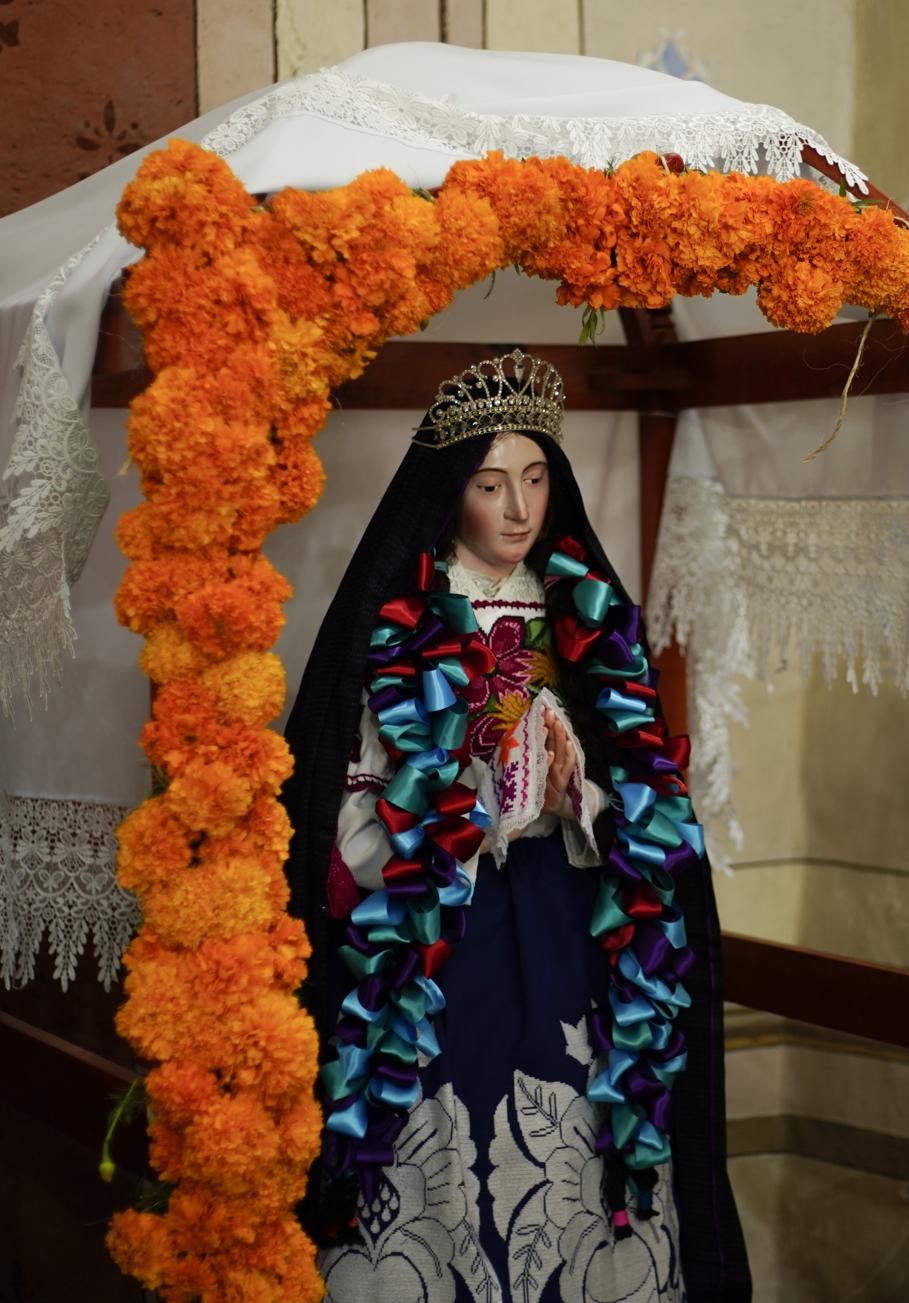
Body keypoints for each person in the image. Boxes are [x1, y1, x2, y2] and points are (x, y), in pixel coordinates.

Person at [280, 350, 748, 1302]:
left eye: (536, 480)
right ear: (454, 491)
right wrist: (464, 800)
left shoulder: (586, 610)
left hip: (566, 914)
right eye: (493, 484)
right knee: (447, 1144)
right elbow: (360, 793)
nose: (520, 508)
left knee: (576, 1121)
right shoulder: (405, 616)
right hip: (446, 934)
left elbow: (643, 788)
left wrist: (580, 793)